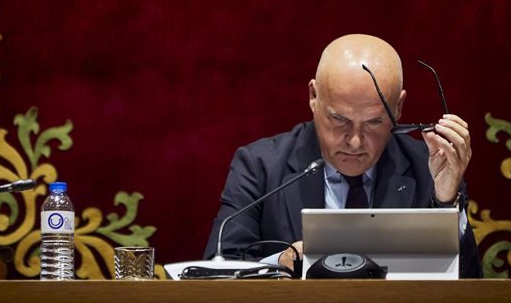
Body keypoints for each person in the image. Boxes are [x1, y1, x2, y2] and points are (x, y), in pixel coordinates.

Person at [203, 34, 482, 278]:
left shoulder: (430, 167)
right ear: (313, 96)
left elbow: (469, 291)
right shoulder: (260, 166)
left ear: (398, 108)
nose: (354, 141)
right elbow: (216, 272)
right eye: (339, 119)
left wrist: (447, 203)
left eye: (374, 122)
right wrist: (281, 262)